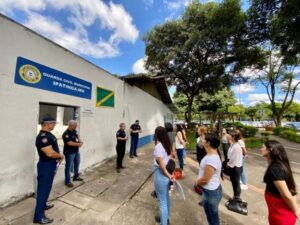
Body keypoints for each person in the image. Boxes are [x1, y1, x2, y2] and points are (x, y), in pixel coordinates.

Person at [34, 116, 64, 224]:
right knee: (43, 190)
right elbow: (49, 153)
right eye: (53, 123)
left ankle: (43, 205)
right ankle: (39, 217)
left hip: (50, 165)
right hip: (46, 166)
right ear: (47, 124)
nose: (54, 125)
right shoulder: (43, 137)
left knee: (47, 189)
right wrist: (60, 156)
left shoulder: (48, 135)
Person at [262, 140, 299, 225]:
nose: (261, 149)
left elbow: (286, 195)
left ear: (270, 150)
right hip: (276, 213)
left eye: (263, 147)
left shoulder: (276, 168)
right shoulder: (278, 164)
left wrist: (296, 210)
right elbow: (291, 187)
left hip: (281, 216)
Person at [196, 133, 223, 225]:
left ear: (208, 143)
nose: (201, 140)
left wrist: (197, 182)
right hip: (210, 191)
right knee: (211, 217)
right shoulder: (210, 155)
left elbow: (205, 180)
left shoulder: (211, 159)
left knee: (212, 219)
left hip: (211, 193)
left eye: (203, 139)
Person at [153, 126, 175, 225]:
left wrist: (169, 176)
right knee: (166, 198)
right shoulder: (167, 144)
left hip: (161, 176)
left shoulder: (158, 146)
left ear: (157, 135)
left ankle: (164, 223)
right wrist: (170, 175)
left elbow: (162, 166)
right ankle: (165, 219)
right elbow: (170, 159)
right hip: (166, 177)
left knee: (162, 202)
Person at [62, 120, 84, 188]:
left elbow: (78, 137)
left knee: (77, 164)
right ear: (71, 125)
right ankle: (67, 181)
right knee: (68, 167)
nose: (76, 126)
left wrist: (80, 140)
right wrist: (78, 144)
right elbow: (69, 143)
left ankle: (76, 176)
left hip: (76, 151)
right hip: (69, 152)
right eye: (75, 125)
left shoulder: (75, 131)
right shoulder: (66, 133)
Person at [226, 130, 243, 202]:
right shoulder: (233, 144)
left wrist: (227, 164)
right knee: (234, 183)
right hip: (234, 167)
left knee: (236, 184)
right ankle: (235, 197)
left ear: (234, 137)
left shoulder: (236, 147)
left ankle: (237, 198)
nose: (228, 136)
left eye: (230, 135)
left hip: (235, 167)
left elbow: (233, 159)